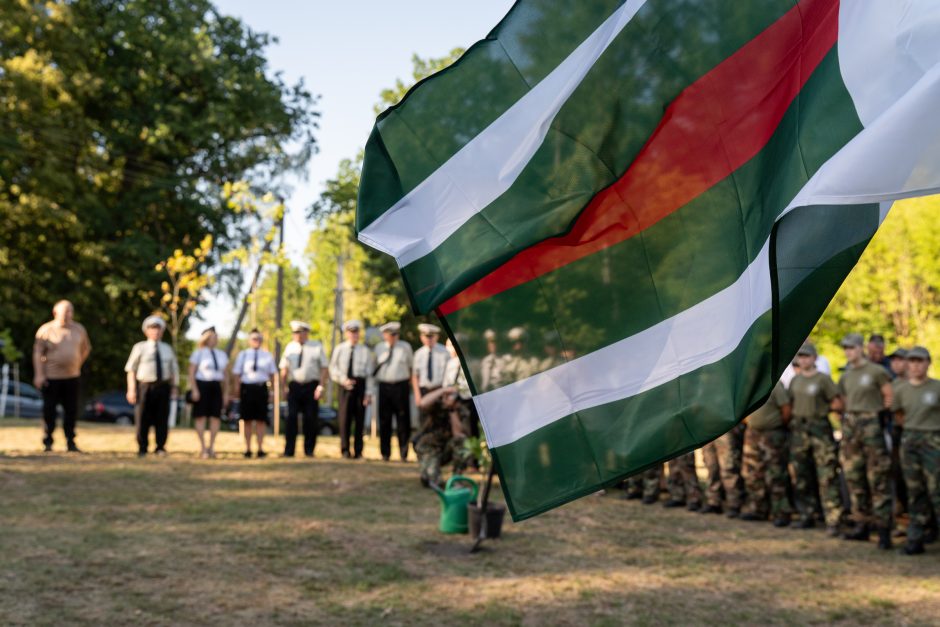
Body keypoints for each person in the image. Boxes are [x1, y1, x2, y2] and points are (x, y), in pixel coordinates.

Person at [838, 332, 894, 548]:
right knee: (854, 476)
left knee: (878, 477)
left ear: (861, 348)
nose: (848, 352)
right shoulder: (846, 375)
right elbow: (843, 401)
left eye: (851, 347)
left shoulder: (877, 371)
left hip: (872, 425)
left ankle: (883, 530)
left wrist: (880, 416)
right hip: (852, 426)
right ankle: (861, 524)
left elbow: (889, 396)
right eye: (845, 348)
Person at [788, 342, 845, 535]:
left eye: (807, 357)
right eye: (800, 357)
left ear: (814, 359)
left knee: (826, 474)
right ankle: (807, 514)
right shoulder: (795, 380)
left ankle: (833, 519)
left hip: (819, 429)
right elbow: (791, 403)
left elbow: (837, 403)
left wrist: (823, 411)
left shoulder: (823, 379)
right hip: (799, 430)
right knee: (801, 474)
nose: (803, 360)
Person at [891, 346, 940, 555]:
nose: (915, 365)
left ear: (928, 363)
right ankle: (915, 539)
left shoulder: (937, 387)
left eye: (920, 361)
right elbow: (899, 415)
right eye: (912, 361)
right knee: (914, 491)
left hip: (933, 440)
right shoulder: (901, 389)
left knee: (936, 490)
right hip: (910, 440)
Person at [32, 300, 91, 452]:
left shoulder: (79, 329)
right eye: (65, 312)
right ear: (55, 313)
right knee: (49, 410)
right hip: (51, 377)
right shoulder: (46, 330)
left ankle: (70, 441)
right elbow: (37, 353)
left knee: (71, 410)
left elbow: (86, 349)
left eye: (70, 311)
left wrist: (76, 363)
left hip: (72, 377)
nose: (68, 315)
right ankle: (48, 441)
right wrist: (39, 374)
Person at [125, 316, 179, 456]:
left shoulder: (167, 349)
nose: (155, 332)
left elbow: (174, 371)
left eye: (158, 329)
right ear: (146, 331)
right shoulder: (139, 347)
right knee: (142, 417)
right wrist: (131, 389)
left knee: (162, 418)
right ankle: (142, 447)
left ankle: (160, 447)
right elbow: (131, 369)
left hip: (163, 387)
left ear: (162, 331)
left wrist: (174, 388)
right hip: (145, 386)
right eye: (152, 329)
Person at [741, 381, 793, 526]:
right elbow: (742, 409)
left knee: (776, 474)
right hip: (752, 434)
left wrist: (775, 425)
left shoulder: (775, 384)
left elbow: (786, 409)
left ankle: (781, 512)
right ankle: (758, 509)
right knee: (752, 472)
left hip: (772, 434)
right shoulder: (749, 385)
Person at [279, 320, 328, 458]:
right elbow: (284, 368)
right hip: (294, 386)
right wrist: (283, 387)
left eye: (299, 332)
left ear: (306, 333)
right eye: (295, 333)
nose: (297, 335)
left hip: (311, 386)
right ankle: (289, 450)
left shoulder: (316, 346)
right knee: (291, 417)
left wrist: (321, 386)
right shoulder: (290, 347)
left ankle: (309, 450)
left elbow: (324, 368)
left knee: (310, 418)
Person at [329, 320, 374, 459]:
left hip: (360, 386)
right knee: (344, 420)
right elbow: (333, 368)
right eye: (351, 332)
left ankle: (358, 451)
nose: (354, 335)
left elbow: (369, 373)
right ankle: (345, 450)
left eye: (356, 332)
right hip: (344, 386)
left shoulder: (365, 351)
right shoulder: (340, 349)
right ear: (347, 333)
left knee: (360, 420)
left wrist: (369, 393)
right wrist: (343, 379)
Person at [414, 386, 472, 488]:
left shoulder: (459, 409)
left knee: (462, 441)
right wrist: (443, 390)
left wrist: (452, 411)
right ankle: (427, 475)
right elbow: (422, 403)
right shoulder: (435, 405)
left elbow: (458, 434)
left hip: (445, 449)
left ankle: (456, 479)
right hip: (429, 448)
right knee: (434, 483)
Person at [232, 329, 277, 458]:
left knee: (261, 420)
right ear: (249, 340)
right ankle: (247, 448)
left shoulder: (267, 355)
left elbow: (272, 374)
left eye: (258, 338)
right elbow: (236, 373)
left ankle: (260, 448)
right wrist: (236, 389)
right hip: (247, 389)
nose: (256, 341)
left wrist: (272, 391)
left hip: (261, 389)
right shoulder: (243, 355)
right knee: (247, 420)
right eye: (254, 338)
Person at [373, 321, 414, 461]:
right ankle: (385, 453)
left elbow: (411, 368)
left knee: (403, 420)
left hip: (401, 386)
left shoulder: (405, 347)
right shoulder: (379, 348)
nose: (393, 337)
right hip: (384, 386)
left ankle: (404, 453)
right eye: (391, 335)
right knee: (384, 421)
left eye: (396, 334)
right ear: (385, 335)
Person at [188, 326, 228, 459]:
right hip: (202, 385)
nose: (214, 339)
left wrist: (226, 392)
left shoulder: (221, 354)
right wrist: (194, 389)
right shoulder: (198, 353)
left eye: (216, 337)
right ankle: (203, 447)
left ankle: (212, 447)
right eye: (212, 337)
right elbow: (191, 373)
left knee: (215, 417)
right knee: (201, 416)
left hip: (216, 387)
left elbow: (226, 375)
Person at [700, 424, 746, 517]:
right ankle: (713, 501)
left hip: (725, 428)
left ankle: (734, 503)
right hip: (706, 428)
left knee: (728, 467)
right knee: (711, 466)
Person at [412, 323, 449, 405]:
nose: (429, 339)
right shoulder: (418, 354)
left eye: (431, 336)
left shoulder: (445, 352)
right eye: (426, 336)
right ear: (421, 337)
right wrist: (417, 395)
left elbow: (449, 374)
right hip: (424, 391)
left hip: (440, 390)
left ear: (437, 336)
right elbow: (415, 376)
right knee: (424, 417)